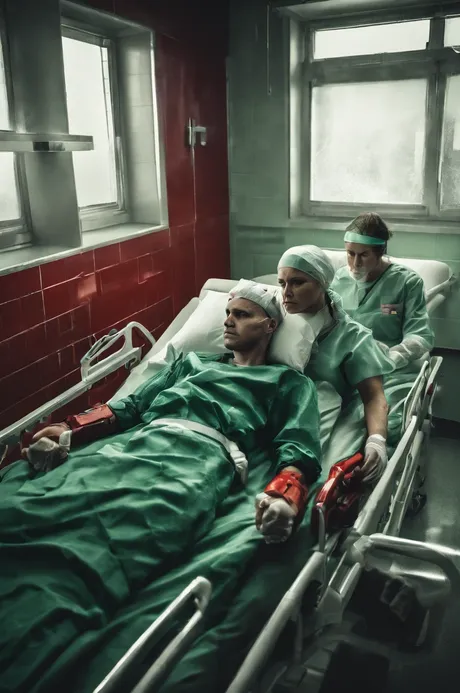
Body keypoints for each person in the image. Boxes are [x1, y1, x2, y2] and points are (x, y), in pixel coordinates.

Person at [0, 280, 323, 692]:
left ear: (270, 325)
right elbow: (129, 408)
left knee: (118, 535)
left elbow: (298, 445)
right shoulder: (190, 362)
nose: (228, 321)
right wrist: (66, 430)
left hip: (196, 464)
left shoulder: (289, 384)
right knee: (37, 507)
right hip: (130, 447)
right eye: (227, 313)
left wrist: (285, 494)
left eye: (242, 315)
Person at [277, 245, 394, 481]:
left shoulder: (352, 337)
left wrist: (377, 441)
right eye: (282, 283)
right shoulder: (275, 320)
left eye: (298, 282)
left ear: (322, 283)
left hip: (320, 414)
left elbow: (373, 396)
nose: (286, 292)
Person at [331, 212, 435, 443]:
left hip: (389, 372)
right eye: (350, 254)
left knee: (389, 426)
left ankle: (382, 472)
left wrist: (391, 357)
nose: (355, 263)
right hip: (345, 368)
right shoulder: (339, 279)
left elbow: (420, 334)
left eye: (364, 255)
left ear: (381, 251)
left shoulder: (407, 282)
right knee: (335, 423)